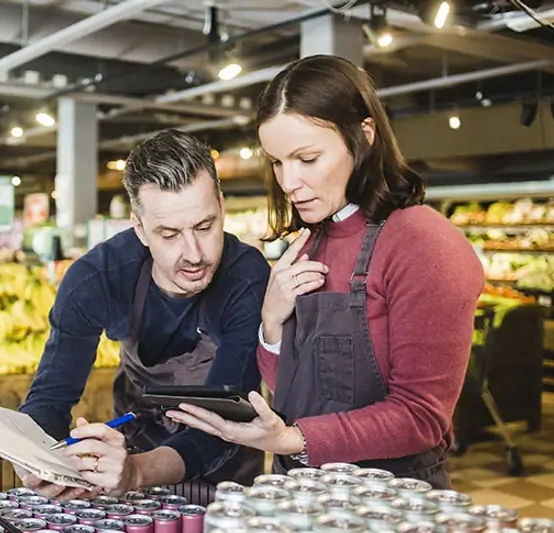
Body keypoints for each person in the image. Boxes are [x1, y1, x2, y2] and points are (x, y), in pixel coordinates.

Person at [165, 55, 485, 489]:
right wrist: (272, 324)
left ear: (364, 137)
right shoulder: (308, 244)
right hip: (301, 494)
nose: (289, 181)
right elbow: (297, 392)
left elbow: (421, 416)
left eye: (307, 158)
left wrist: (293, 438)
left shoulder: (425, 245)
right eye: (277, 162)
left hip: (388, 502)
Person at [17, 129, 270, 500]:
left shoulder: (246, 279)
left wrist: (136, 472)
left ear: (221, 204)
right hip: (135, 460)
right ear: (139, 227)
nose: (195, 253)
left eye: (205, 226)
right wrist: (36, 458)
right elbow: (51, 397)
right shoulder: (97, 279)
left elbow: (224, 422)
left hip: (226, 477)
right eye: (169, 234)